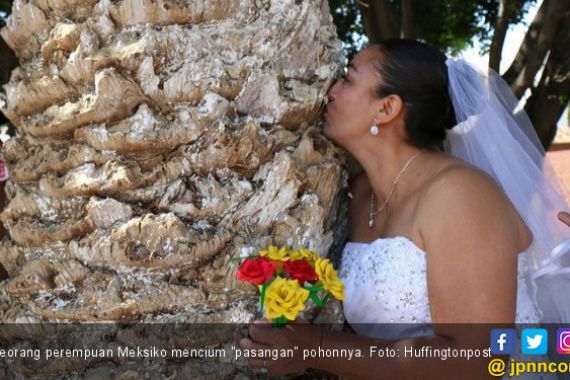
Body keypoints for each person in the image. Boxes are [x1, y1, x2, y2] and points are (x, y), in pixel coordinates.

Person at [234, 39, 570, 379]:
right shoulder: (359, 193)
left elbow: (475, 360)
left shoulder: (459, 195)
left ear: (387, 108)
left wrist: (316, 346)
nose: (330, 89)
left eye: (348, 79)